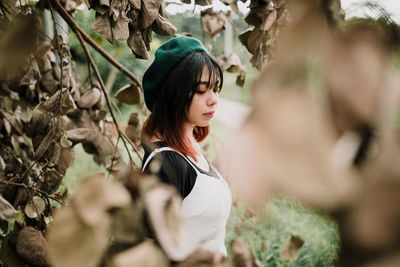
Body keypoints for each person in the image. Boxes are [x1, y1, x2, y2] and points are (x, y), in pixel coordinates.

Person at [141, 36, 232, 259]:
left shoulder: (191, 151)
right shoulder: (166, 163)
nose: (213, 100)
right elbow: (149, 253)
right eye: (202, 91)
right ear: (174, 94)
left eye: (216, 89)